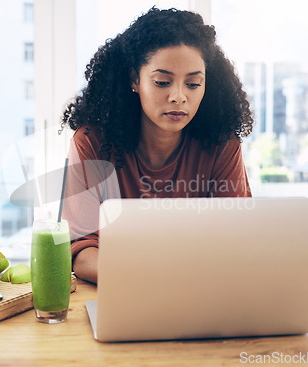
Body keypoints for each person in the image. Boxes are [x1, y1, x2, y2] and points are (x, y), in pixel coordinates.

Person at [60, 7, 254, 284]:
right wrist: (152, 277)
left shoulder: (221, 144)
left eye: (194, 83)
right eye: (162, 82)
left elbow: (239, 238)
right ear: (134, 80)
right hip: (123, 291)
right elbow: (81, 250)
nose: (178, 97)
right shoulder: (93, 142)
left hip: (198, 295)